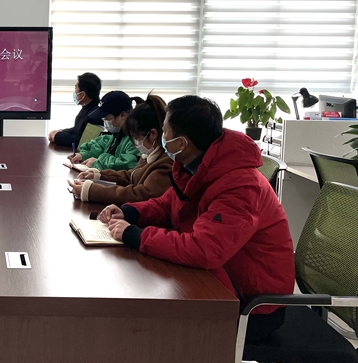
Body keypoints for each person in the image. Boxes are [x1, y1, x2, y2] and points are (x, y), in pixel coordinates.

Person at [98, 95, 295, 340]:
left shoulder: (241, 186)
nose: (162, 138)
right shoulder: (198, 167)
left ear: (182, 143)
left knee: (148, 327)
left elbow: (203, 250)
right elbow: (167, 203)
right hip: (218, 279)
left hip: (250, 306)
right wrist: (130, 212)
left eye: (165, 132)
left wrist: (135, 236)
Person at [67, 94, 172, 205]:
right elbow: (130, 176)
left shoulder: (165, 165)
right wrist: (99, 175)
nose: (135, 143)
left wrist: (91, 191)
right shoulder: (149, 155)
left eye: (136, 138)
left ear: (153, 134)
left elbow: (139, 195)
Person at [66, 90, 141, 171]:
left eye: (106, 117)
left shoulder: (137, 141)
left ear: (123, 115)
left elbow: (126, 164)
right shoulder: (115, 136)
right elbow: (99, 146)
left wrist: (98, 163)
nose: (104, 120)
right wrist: (83, 155)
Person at [48, 72, 102, 148]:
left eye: (76, 87)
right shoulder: (87, 108)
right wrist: (60, 132)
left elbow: (83, 142)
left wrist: (57, 136)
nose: (74, 92)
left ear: (83, 95)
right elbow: (76, 130)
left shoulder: (96, 115)